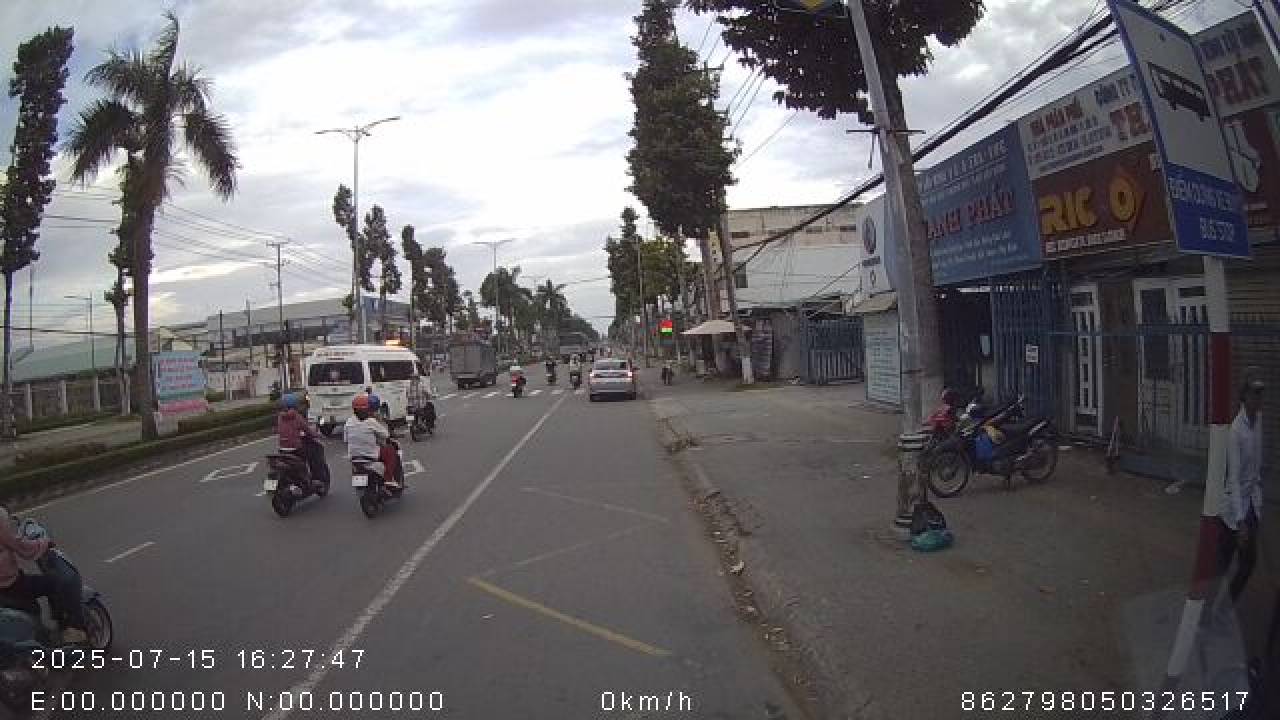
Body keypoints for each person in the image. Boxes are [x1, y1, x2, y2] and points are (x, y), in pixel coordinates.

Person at [0, 507, 87, 645]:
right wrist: (44, 543)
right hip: (10, 584)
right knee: (54, 582)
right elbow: (23, 548)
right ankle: (69, 628)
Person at [1218, 377, 1265, 605]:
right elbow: (1234, 480)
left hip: (1252, 503)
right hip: (1234, 508)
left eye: (1260, 393)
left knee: (1248, 562)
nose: (1259, 398)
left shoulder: (1259, 420)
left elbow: (1256, 464)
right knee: (1223, 564)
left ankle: (1225, 605)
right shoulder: (1236, 431)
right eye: (1254, 393)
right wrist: (1240, 521)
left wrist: (1257, 501)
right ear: (1244, 396)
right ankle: (1206, 613)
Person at [344, 394, 399, 489]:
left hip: (353, 457)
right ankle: (389, 479)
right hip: (370, 455)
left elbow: (345, 439)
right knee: (390, 451)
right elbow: (386, 435)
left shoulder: (348, 422)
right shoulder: (370, 421)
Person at [276, 393, 325, 485]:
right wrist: (318, 435)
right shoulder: (296, 417)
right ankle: (317, 478)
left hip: (282, 449)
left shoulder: (280, 417)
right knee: (315, 452)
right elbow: (308, 430)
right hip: (296, 449)